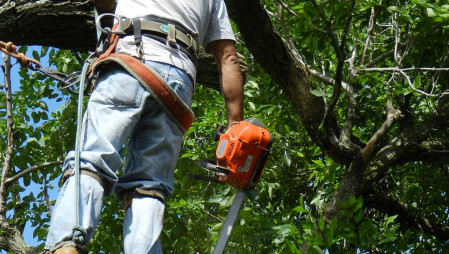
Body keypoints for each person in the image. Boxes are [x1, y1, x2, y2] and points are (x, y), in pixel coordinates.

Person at [42, 0, 244, 253]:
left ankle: (67, 243)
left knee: (92, 160)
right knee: (149, 185)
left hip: (132, 61)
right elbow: (227, 56)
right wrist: (235, 125)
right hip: (178, 85)